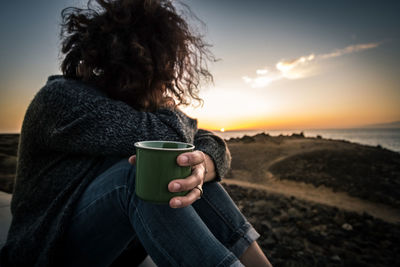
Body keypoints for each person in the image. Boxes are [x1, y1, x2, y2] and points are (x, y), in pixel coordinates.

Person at [1, 0, 272, 266]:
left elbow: (209, 142)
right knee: (139, 176)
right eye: (160, 72)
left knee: (186, 167)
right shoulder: (62, 99)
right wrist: (167, 109)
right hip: (43, 249)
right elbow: (173, 136)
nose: (165, 83)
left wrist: (205, 164)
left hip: (114, 250)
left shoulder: (130, 106)